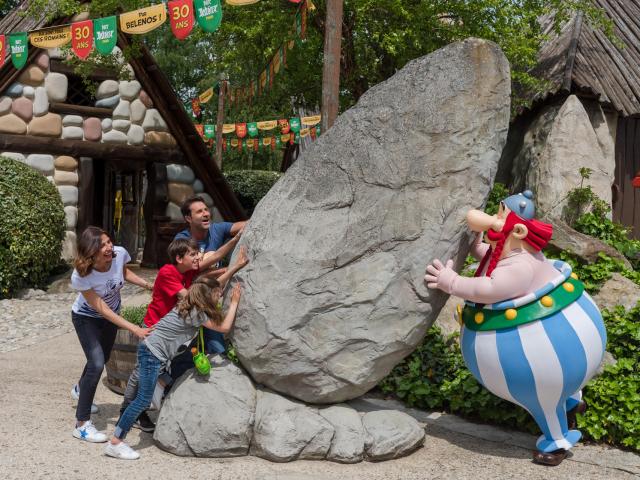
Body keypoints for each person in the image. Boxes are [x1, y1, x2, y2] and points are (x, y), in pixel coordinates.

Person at [425, 191, 606, 466]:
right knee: (550, 390)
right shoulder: (516, 252)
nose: (494, 219)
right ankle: (568, 401)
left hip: (547, 343)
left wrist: (450, 281)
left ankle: (556, 439)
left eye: (500, 215)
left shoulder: (520, 265)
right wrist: (476, 247)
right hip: (568, 330)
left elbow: (491, 287)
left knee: (545, 391)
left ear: (517, 229)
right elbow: (493, 258)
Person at [118, 238, 249, 432]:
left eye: (198, 254)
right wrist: (230, 275)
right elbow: (196, 297)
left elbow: (211, 279)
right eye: (193, 254)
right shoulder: (168, 272)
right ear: (180, 258)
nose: (198, 257)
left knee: (189, 358)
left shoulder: (190, 272)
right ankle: (127, 413)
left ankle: (159, 388)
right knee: (140, 375)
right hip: (154, 328)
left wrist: (237, 244)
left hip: (176, 330)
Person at [105, 277, 243, 460]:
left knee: (146, 396)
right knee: (142, 400)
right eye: (219, 293)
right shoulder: (197, 313)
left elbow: (205, 283)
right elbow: (224, 327)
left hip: (151, 351)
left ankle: (158, 386)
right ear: (209, 294)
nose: (220, 296)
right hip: (152, 354)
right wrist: (234, 302)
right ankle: (115, 442)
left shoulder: (188, 306)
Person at [70, 226, 153, 443]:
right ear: (90, 251)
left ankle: (80, 388)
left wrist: (147, 284)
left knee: (103, 358)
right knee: (97, 363)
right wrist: (134, 328)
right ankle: (81, 424)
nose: (109, 247)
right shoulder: (82, 274)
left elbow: (123, 272)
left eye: (108, 242)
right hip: (86, 318)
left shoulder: (119, 254)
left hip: (110, 316)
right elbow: (102, 309)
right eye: (102, 245)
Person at [174, 196, 247, 353]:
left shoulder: (217, 229)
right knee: (181, 353)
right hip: (191, 305)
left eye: (206, 209)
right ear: (188, 218)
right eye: (199, 211)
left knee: (217, 349)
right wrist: (224, 269)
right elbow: (194, 272)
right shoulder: (182, 240)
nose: (206, 213)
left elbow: (245, 225)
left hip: (211, 301)